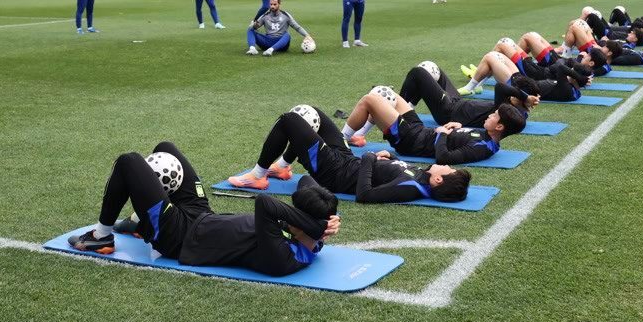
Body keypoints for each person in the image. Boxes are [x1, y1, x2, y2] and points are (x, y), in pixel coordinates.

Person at [66, 142, 340, 277]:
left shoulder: (284, 257)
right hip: (202, 215)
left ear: (304, 223)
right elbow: (306, 181)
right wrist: (328, 217)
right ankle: (141, 222)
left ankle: (101, 236)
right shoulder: (308, 239)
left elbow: (264, 203)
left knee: (129, 162)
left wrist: (315, 226)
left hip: (179, 238)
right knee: (166, 149)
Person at [229, 108, 472, 203]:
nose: (446, 166)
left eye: (448, 170)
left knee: (289, 120)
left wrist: (369, 158)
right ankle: (282, 166)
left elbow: (365, 195)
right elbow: (388, 172)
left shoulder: (411, 188)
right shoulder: (420, 177)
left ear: (438, 180)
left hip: (334, 172)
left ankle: (258, 176)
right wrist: (388, 158)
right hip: (345, 159)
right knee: (312, 114)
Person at [340, 90, 526, 165]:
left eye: (494, 116)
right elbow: (466, 136)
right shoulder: (487, 136)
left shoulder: (483, 148)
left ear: (499, 126)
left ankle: (341, 141)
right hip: (419, 130)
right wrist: (458, 126)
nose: (490, 115)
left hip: (410, 140)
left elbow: (444, 158)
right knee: (386, 93)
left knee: (370, 99)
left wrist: (443, 134)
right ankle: (358, 134)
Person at [397, 63, 540, 130]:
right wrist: (526, 99)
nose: (512, 93)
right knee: (432, 68)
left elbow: (500, 87)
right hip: (457, 102)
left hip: (448, 112)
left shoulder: (505, 110)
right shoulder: (514, 108)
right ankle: (408, 107)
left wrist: (525, 97)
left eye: (516, 93)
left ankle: (398, 109)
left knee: (418, 72)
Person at [461, 48, 590, 102]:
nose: (570, 71)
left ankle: (470, 87)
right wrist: (580, 76)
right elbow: (564, 68)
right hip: (523, 81)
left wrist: (580, 77)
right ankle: (477, 84)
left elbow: (562, 68)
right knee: (498, 55)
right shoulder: (572, 89)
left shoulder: (567, 90)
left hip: (518, 87)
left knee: (490, 57)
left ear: (575, 78)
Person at [246, 0, 313, 56]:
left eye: (275, 4)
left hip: (281, 43)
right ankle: (252, 49)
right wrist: (254, 26)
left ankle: (271, 50)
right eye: (271, 4)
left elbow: (297, 27)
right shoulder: (265, 16)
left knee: (287, 35)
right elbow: (255, 27)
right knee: (250, 29)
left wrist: (307, 35)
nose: (272, 6)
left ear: (279, 4)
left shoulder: (286, 15)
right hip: (268, 41)